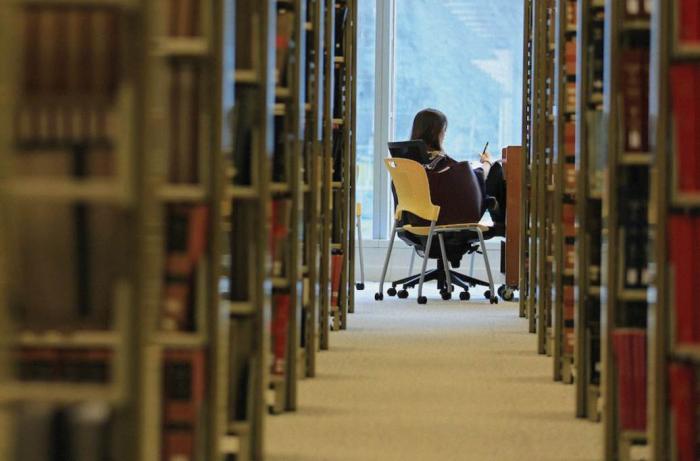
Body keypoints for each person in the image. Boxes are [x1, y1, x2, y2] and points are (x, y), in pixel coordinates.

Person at [409, 108, 501, 219]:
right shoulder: (440, 161)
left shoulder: (407, 161)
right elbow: (477, 178)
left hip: (412, 222)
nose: (444, 135)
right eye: (444, 130)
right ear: (435, 132)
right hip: (443, 219)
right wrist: (487, 162)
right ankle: (502, 226)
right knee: (495, 169)